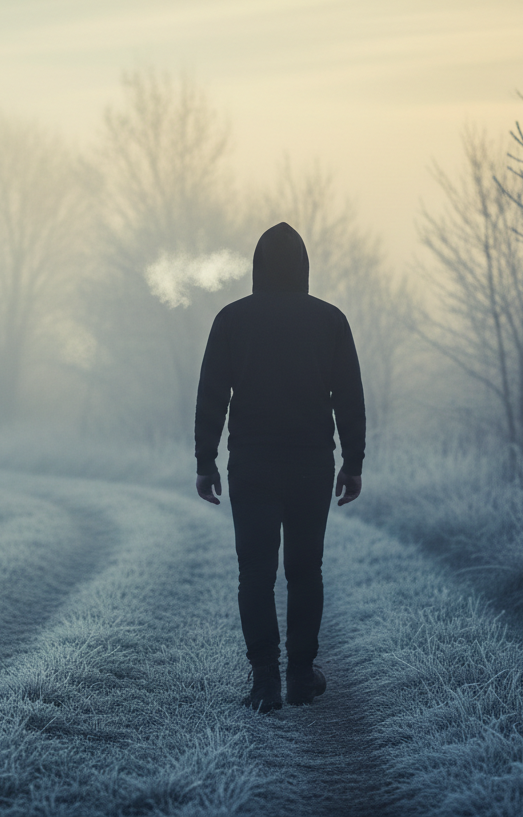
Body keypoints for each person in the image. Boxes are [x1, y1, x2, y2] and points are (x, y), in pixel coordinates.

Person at [194, 221, 365, 713]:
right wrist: (353, 462)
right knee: (306, 570)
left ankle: (265, 681)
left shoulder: (231, 319)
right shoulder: (330, 320)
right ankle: (301, 676)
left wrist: (206, 461)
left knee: (256, 572)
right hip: (312, 463)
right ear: (304, 266)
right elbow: (349, 397)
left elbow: (211, 396)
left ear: (257, 266)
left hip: (252, 464)